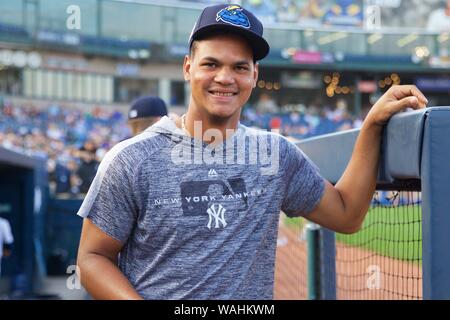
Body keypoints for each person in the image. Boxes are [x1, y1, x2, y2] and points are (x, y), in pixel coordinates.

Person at [76, 4, 427, 300]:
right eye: (211, 64)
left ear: (254, 75)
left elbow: (347, 215)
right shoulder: (131, 159)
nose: (225, 78)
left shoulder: (274, 153)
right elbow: (92, 258)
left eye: (239, 67)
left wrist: (372, 126)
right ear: (188, 68)